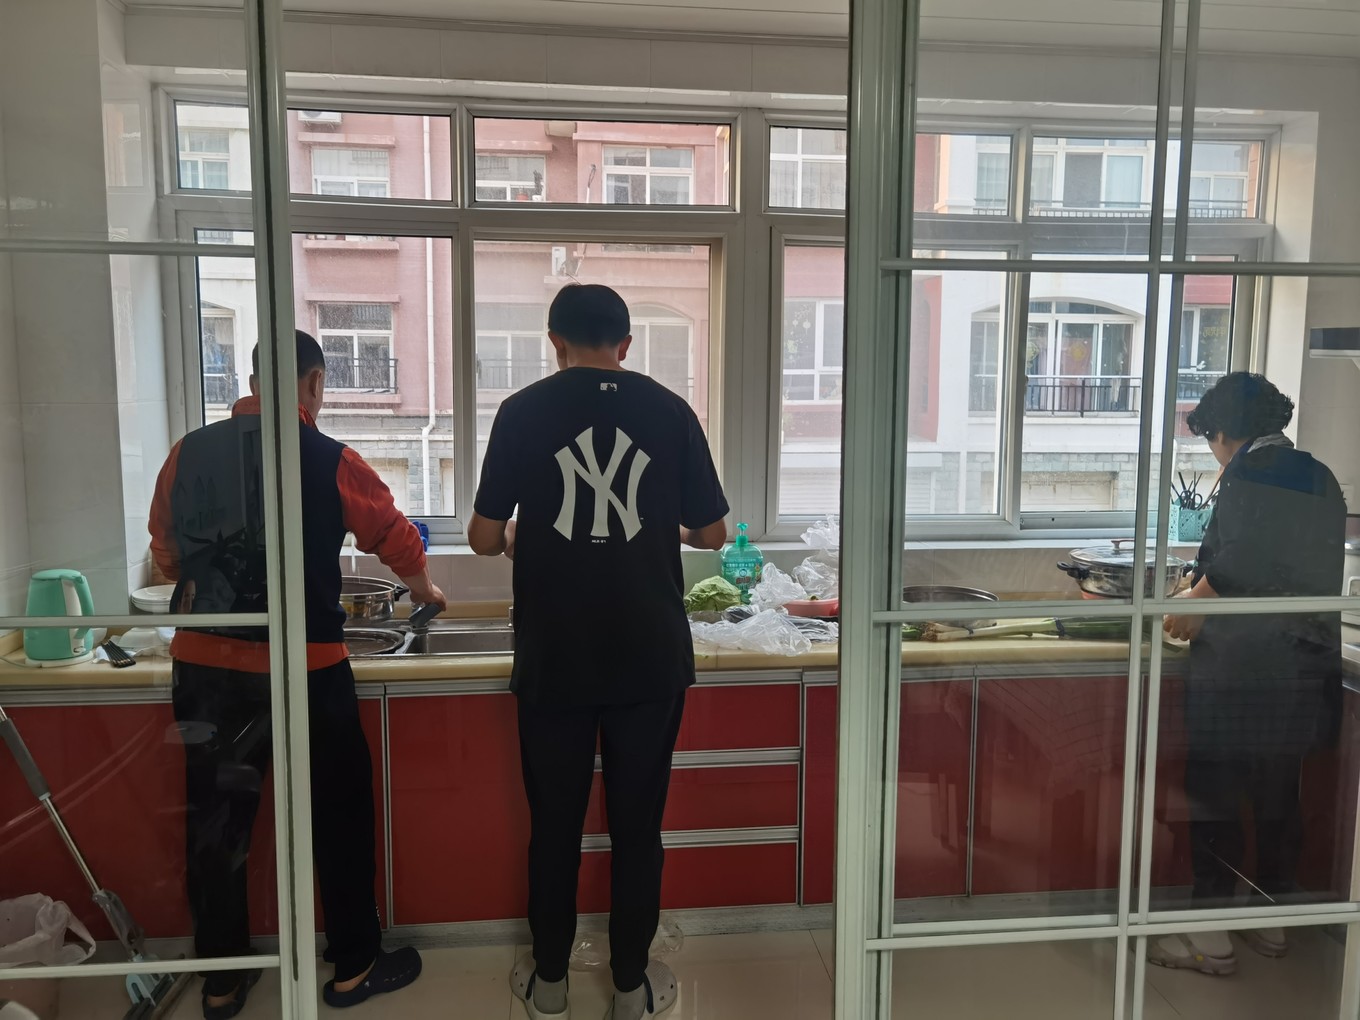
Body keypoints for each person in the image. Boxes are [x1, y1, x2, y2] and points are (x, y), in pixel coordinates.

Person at [149, 330, 446, 1018]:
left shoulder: (186, 453)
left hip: (208, 671)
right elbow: (394, 535)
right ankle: (354, 968)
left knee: (216, 823)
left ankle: (223, 981)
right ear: (313, 384)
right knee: (339, 816)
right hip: (307, 670)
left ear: (253, 381)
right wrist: (425, 589)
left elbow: (165, 553)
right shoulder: (331, 459)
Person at [469, 284, 728, 1020]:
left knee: (553, 826)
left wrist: (520, 536)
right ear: (627, 344)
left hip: (555, 656)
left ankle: (549, 983)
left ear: (555, 342)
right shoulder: (671, 411)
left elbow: (483, 538)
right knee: (638, 830)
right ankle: (629, 988)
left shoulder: (521, 411)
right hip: (649, 657)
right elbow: (713, 533)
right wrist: (663, 529)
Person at [1156, 372, 1345, 975]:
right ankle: (1271, 920)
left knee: (1214, 795)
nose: (1213, 452)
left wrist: (1195, 601)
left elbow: (1246, 556)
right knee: (1277, 796)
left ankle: (1207, 937)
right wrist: (1202, 582)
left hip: (1244, 668)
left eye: (1210, 439)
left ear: (1223, 432)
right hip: (1302, 664)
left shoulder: (1251, 473)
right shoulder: (1318, 474)